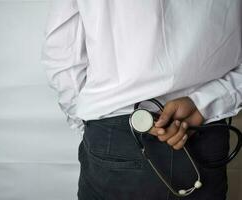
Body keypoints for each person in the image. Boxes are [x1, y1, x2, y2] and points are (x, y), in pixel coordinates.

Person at [41, 1, 242, 199]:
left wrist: (90, 121)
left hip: (116, 135)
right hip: (205, 133)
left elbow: (62, 53)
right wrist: (206, 103)